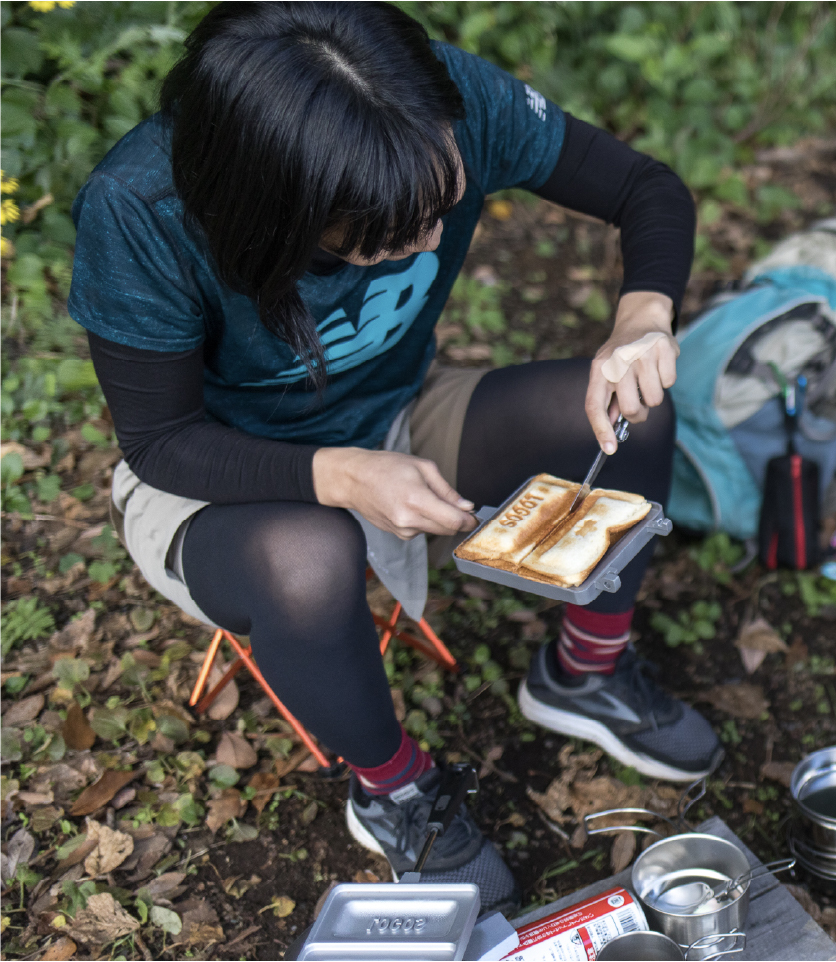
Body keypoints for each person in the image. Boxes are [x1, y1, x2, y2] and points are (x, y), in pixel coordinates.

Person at [69, 1, 721, 910]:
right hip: (213, 474)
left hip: (394, 411)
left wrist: (643, 316)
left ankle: (586, 673)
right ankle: (395, 789)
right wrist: (334, 476)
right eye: (381, 235)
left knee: (634, 414)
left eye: (441, 206)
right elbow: (161, 442)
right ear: (276, 209)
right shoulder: (144, 209)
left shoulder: (433, 104)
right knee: (307, 555)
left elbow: (645, 188)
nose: (425, 243)